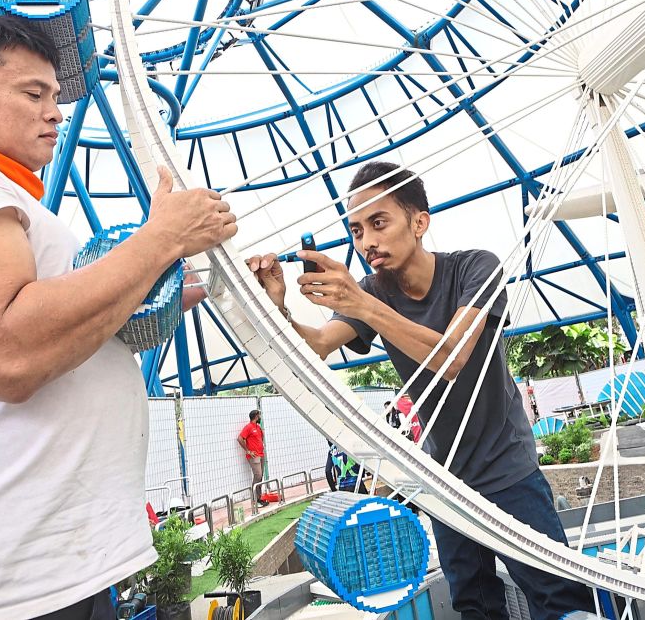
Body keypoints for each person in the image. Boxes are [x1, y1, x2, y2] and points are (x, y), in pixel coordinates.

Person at [0, 14, 237, 620]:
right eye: (33, 93)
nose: (54, 112)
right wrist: (159, 240)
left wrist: (151, 287)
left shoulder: (5, 202)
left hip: (49, 568)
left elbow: (59, 337)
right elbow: (7, 353)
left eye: (56, 96)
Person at [247, 161, 594, 619]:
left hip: (508, 468)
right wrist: (278, 310)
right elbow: (318, 347)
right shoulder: (373, 292)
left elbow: (451, 358)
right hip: (444, 480)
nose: (367, 241)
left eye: (379, 222)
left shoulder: (476, 268)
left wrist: (364, 305)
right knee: (474, 605)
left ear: (419, 222)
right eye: (355, 230)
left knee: (560, 600)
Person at [238, 409, 266, 504]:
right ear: (256, 416)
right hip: (255, 456)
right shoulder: (249, 427)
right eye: (259, 416)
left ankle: (259, 498)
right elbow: (240, 438)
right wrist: (248, 451)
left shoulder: (258, 427)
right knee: (257, 475)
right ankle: (255, 499)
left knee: (260, 476)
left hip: (261, 455)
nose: (260, 418)